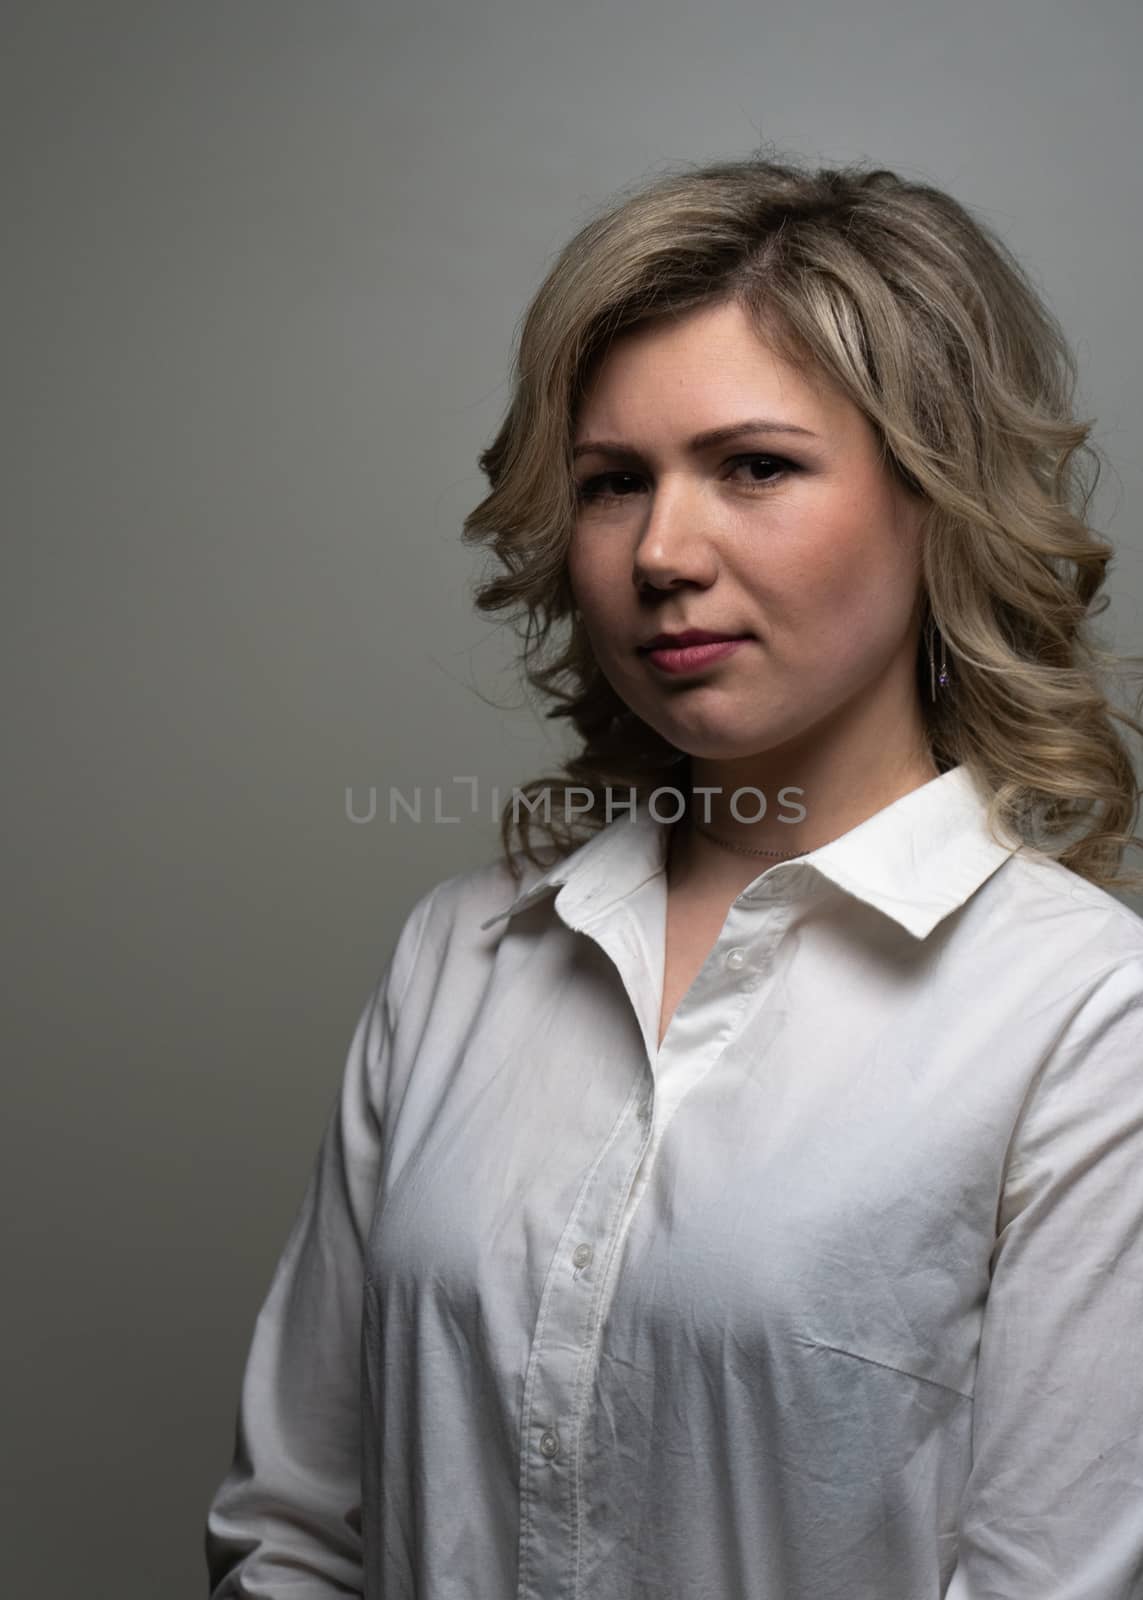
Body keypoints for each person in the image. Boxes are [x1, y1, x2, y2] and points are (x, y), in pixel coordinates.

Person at [205, 150, 1143, 1599]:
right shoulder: (463, 957)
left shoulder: (1086, 1018)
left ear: (935, 499)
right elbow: (291, 1528)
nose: (661, 551)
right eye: (609, 484)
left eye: (755, 466)